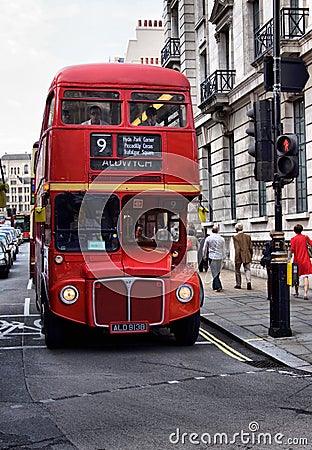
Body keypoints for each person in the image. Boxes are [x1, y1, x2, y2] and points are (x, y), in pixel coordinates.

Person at [290, 224, 312, 300]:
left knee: (296, 277)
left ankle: (296, 291)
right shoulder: (305, 237)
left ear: (294, 231)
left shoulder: (293, 239)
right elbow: (311, 244)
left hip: (297, 260)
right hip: (305, 260)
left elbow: (292, 250)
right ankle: (305, 294)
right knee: (305, 276)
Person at [203, 225, 226, 292]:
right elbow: (224, 249)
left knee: (214, 271)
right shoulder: (221, 239)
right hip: (219, 256)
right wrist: (224, 258)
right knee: (217, 271)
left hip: (212, 256)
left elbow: (204, 248)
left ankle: (218, 286)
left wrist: (204, 256)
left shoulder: (209, 238)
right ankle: (216, 285)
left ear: (212, 230)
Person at [233, 222, 253, 290]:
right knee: (247, 269)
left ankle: (238, 284)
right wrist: (251, 255)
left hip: (239, 255)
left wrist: (236, 258)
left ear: (236, 229)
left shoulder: (235, 237)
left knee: (237, 270)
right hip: (247, 254)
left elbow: (237, 248)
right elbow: (250, 247)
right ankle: (249, 282)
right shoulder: (248, 236)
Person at [261, 229, 275, 300]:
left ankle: (270, 294)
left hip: (269, 263)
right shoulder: (280, 243)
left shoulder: (268, 244)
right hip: (274, 263)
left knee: (270, 279)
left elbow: (265, 253)